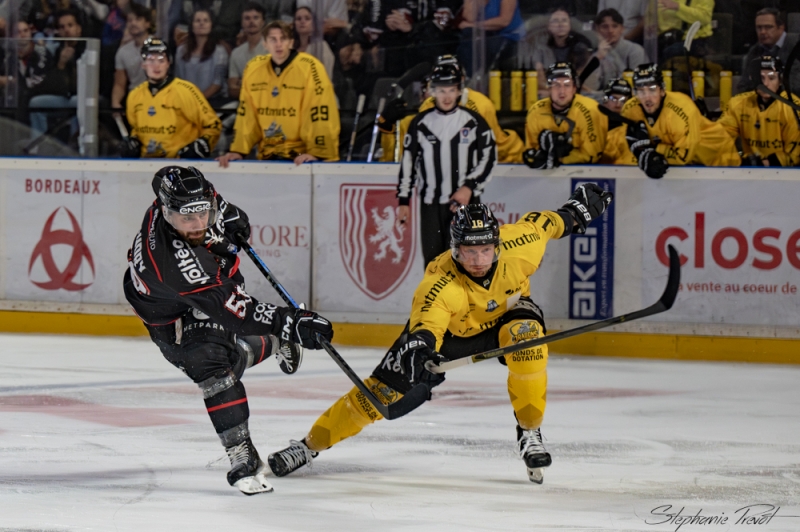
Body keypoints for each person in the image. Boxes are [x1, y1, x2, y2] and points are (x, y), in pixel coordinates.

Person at [265, 189, 613, 484]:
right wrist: (419, 350)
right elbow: (426, 325)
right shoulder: (439, 282)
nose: (478, 260)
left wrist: (578, 211)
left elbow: (549, 223)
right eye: (468, 252)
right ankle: (307, 446)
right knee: (379, 396)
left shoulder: (521, 243)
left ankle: (530, 431)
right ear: (455, 249)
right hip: (449, 336)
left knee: (528, 341)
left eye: (485, 250)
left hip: (507, 316)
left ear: (497, 244)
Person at [123, 165, 334, 494]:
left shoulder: (177, 193)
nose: (198, 225)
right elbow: (239, 314)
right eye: (187, 219)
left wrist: (227, 210)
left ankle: (241, 454)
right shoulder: (176, 264)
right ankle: (279, 341)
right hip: (173, 306)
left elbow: (196, 188)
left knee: (210, 365)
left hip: (197, 291)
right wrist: (291, 322)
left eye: (203, 214)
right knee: (220, 360)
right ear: (165, 212)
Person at [396, 63, 497, 267]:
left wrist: (468, 187)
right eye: (442, 90)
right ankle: (437, 301)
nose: (447, 96)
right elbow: (408, 163)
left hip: (466, 204)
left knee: (467, 262)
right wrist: (403, 201)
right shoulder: (420, 123)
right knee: (434, 264)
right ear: (432, 90)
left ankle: (466, 301)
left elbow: (489, 157)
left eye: (451, 90)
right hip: (431, 205)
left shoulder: (474, 122)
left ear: (460, 90)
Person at [217, 21, 340, 166]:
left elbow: (321, 113)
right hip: (267, 154)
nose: (278, 44)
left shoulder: (311, 68)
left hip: (301, 156)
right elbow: (247, 115)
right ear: (265, 44)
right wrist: (238, 150)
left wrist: (318, 153)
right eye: (273, 39)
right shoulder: (253, 69)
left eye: (283, 39)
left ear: (291, 42)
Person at [379, 55, 524, 164]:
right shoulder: (428, 105)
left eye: (452, 85)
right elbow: (405, 153)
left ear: (461, 81)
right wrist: (387, 126)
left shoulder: (481, 105)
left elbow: (498, 146)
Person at [620, 63, 740, 179]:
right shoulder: (630, 109)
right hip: (690, 167)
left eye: (652, 90)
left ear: (662, 90)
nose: (647, 97)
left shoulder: (682, 109)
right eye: (641, 91)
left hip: (720, 160)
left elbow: (682, 157)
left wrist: (650, 149)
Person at [122, 37, 221, 159]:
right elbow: (136, 130)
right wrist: (133, 142)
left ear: (169, 63)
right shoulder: (135, 95)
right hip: (146, 165)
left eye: (161, 60)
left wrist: (203, 144)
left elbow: (213, 125)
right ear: (143, 64)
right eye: (151, 60)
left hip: (180, 166)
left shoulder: (186, 90)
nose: (156, 66)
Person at [719, 56, 800, 167]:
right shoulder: (738, 103)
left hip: (783, 175)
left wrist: (761, 163)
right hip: (749, 171)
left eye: (771, 78)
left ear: (780, 80)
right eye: (761, 78)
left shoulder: (792, 107)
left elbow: (794, 154)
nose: (765, 84)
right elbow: (720, 138)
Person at [524, 62, 607, 169]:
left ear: (574, 88)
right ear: (548, 88)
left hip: (585, 174)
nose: (562, 91)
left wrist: (558, 159)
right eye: (556, 85)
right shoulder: (535, 112)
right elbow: (531, 151)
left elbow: (592, 155)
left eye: (567, 85)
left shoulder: (591, 110)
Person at [27, 9, 85, 144]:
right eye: (62, 27)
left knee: (78, 102)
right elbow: (50, 85)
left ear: (79, 29)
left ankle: (76, 146)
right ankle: (39, 145)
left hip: (84, 97)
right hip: (63, 98)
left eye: (70, 25)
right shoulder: (53, 51)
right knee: (36, 103)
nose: (66, 30)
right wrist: (61, 63)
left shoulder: (88, 48)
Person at [583, 8, 647, 99]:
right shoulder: (596, 53)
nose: (610, 31)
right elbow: (589, 87)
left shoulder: (635, 51)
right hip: (604, 101)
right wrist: (598, 57)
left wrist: (611, 53)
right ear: (597, 30)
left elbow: (636, 86)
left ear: (622, 29)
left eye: (615, 26)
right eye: (605, 26)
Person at [530, 7, 594, 99]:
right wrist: (553, 92)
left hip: (575, 93)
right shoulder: (541, 49)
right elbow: (539, 78)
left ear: (569, 25)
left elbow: (581, 80)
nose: (560, 24)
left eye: (564, 21)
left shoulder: (581, 48)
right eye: (555, 21)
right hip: (550, 92)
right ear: (549, 26)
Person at [739, 8, 800, 94]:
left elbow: (796, 84)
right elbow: (744, 85)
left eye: (768, 27)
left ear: (781, 27)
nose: (762, 32)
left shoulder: (796, 46)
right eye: (759, 27)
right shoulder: (755, 51)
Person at [456, 0, 524, 76]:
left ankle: (475, 77)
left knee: (486, 46)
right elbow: (470, 18)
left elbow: (504, 21)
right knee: (467, 39)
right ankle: (468, 77)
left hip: (508, 36)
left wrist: (474, 25)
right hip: (485, 35)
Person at [175, 9, 229, 102]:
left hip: (213, 102)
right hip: (186, 101)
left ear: (211, 25)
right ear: (192, 26)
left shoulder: (220, 51)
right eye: (197, 21)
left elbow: (217, 84)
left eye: (205, 20)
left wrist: (198, 100)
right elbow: (178, 79)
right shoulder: (181, 51)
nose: (201, 23)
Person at [110, 2, 153, 113]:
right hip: (134, 99)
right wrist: (115, 103)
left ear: (147, 24)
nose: (133, 23)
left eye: (138, 19)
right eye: (130, 20)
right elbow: (119, 84)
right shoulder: (122, 52)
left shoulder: (159, 46)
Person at [228, 2, 267, 101]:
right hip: (243, 104)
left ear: (263, 22)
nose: (251, 21)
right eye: (247, 18)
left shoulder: (272, 50)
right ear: (242, 23)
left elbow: (272, 86)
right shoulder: (236, 53)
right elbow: (232, 89)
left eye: (256, 17)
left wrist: (243, 83)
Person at [599, 78, 636, 165]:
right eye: (614, 98)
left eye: (623, 100)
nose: (618, 104)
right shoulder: (594, 121)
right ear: (605, 99)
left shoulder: (632, 128)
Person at [293, 6, 335, 80]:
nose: (302, 21)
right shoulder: (290, 47)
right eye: (298, 19)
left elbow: (325, 75)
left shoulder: (321, 47)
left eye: (307, 18)